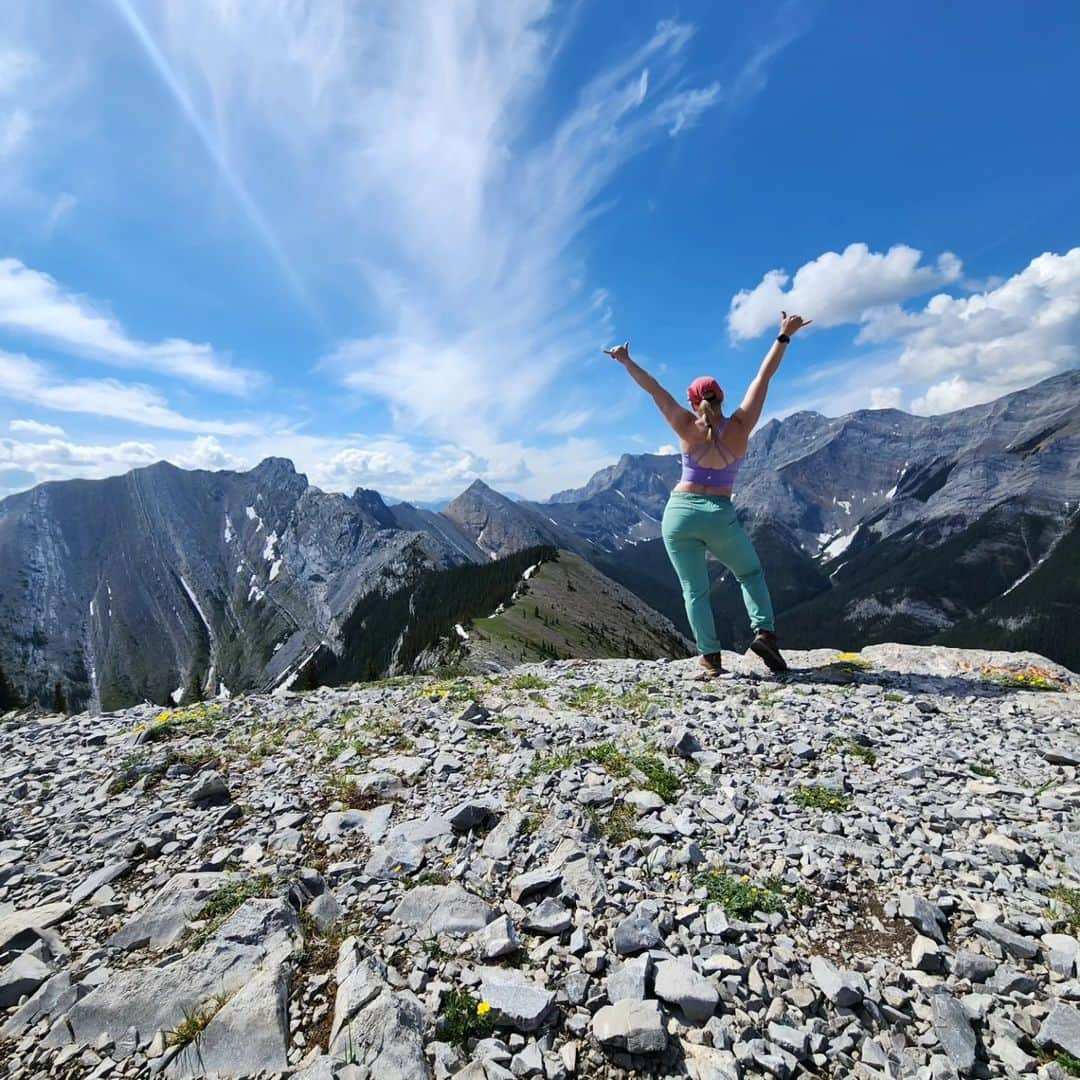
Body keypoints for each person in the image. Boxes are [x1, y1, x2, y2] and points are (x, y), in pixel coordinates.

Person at [605, 311, 812, 676]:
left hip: (679, 513)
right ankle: (765, 633)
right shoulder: (741, 426)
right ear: (722, 397)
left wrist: (625, 361)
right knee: (749, 573)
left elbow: (654, 389)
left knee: (694, 590)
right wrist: (783, 335)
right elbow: (764, 377)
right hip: (718, 512)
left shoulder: (685, 425)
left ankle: (710, 658)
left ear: (691, 401)